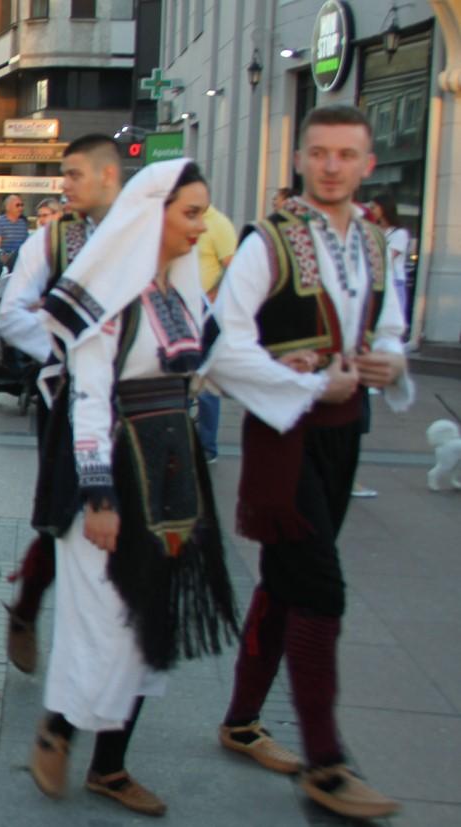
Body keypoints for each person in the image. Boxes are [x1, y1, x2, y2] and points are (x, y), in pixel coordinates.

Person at [209, 105, 409, 820]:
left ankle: (239, 719)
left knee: (287, 581)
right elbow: (220, 346)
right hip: (284, 432)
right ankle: (325, 762)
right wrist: (299, 380)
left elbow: (388, 321)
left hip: (344, 429)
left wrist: (391, 360)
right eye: (319, 153)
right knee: (319, 587)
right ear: (298, 158)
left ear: (366, 165)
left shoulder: (381, 244)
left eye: (345, 154)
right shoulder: (269, 242)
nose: (330, 166)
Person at [27, 160, 244, 816]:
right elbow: (88, 403)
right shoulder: (109, 302)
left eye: (203, 212)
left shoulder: (177, 293)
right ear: (152, 215)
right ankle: (58, 731)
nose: (200, 226)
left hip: (169, 482)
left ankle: (109, 765)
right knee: (101, 622)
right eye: (190, 213)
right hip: (112, 480)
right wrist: (98, 498)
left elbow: (196, 368)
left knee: (149, 618)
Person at [0, 135, 126, 675]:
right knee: (64, 513)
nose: (64, 185)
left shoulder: (143, 236)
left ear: (107, 176)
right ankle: (31, 608)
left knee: (125, 516)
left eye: (74, 175)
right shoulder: (53, 242)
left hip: (134, 402)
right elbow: (11, 313)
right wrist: (69, 347)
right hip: (71, 395)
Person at [193, 205, 238, 463]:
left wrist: (213, 295)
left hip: (206, 312)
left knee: (207, 379)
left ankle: (207, 446)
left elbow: (232, 266)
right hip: (180, 308)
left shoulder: (218, 223)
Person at [368, 194, 411, 320]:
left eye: (374, 207)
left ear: (384, 208)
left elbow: (387, 257)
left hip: (394, 281)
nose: (371, 211)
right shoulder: (373, 230)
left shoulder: (399, 233)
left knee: (393, 318)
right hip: (376, 282)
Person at [0, 195, 30, 291]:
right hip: (2, 260)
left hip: (19, 260)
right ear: (8, 207)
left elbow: (26, 242)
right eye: (18, 205)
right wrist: (4, 256)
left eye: (22, 205)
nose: (21, 208)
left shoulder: (23, 223)